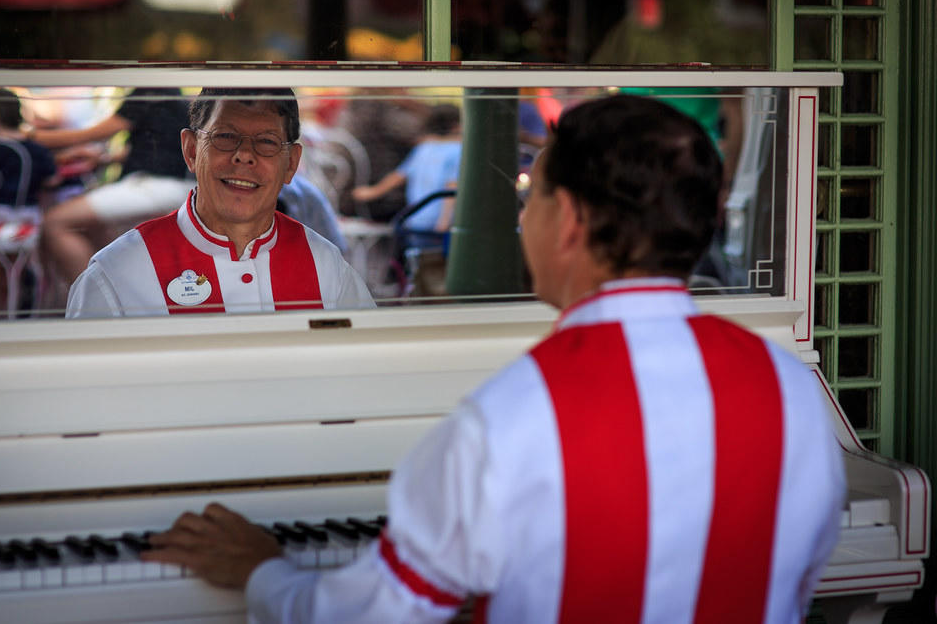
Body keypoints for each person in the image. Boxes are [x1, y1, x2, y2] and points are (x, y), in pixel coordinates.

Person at [141, 95, 845, 623]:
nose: (521, 217)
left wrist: (266, 570)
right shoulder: (793, 391)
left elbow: (374, 615)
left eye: (529, 195)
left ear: (567, 220)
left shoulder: (511, 416)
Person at [65, 88, 374, 317]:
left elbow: (365, 372)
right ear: (190, 150)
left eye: (266, 142)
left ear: (291, 163)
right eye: (225, 136)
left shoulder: (326, 266)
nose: (244, 155)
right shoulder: (116, 274)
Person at [35, 87, 195, 287]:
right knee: (92, 228)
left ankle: (96, 303)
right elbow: (156, 149)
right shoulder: (175, 96)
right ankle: (121, 291)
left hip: (152, 186)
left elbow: (89, 135)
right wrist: (105, 159)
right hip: (177, 188)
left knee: (55, 221)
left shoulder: (148, 92)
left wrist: (26, 136)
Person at [351, 104, 461, 237]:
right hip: (438, 224)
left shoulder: (423, 148)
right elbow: (451, 186)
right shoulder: (457, 150)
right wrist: (444, 221)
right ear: (456, 125)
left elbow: (399, 175)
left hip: (415, 218)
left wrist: (372, 192)